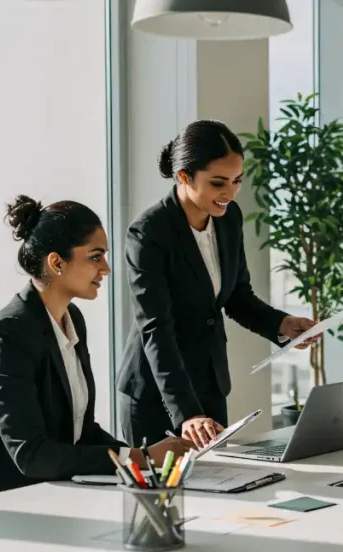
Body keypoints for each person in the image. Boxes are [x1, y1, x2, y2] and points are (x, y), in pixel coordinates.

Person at [0, 196, 192, 501]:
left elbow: (81, 431)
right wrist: (139, 457)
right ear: (56, 263)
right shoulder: (5, 337)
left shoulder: (72, 320)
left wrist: (144, 458)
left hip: (56, 491)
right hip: (6, 501)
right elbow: (31, 455)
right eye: (95, 256)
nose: (106, 268)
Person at [117, 119, 317, 448]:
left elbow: (236, 295)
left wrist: (282, 324)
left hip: (208, 386)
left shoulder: (229, 218)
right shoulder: (149, 233)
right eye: (218, 183)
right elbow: (157, 329)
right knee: (163, 496)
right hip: (158, 395)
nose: (230, 192)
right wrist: (187, 414)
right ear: (183, 176)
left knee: (218, 491)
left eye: (237, 181)